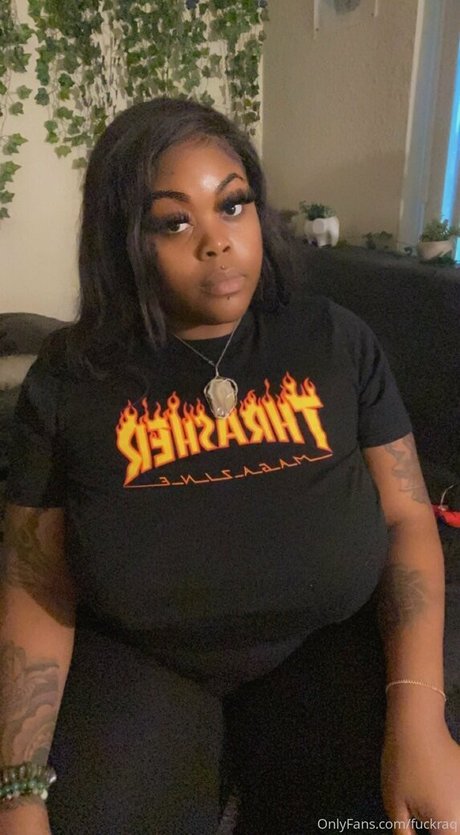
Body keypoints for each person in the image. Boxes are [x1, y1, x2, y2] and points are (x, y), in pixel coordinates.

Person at [1, 96, 459, 835]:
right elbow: (34, 577)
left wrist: (420, 713)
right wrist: (19, 791)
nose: (217, 242)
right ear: (124, 238)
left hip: (321, 644)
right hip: (148, 662)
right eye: (173, 221)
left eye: (233, 205)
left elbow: (408, 516)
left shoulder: (334, 340)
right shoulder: (70, 379)